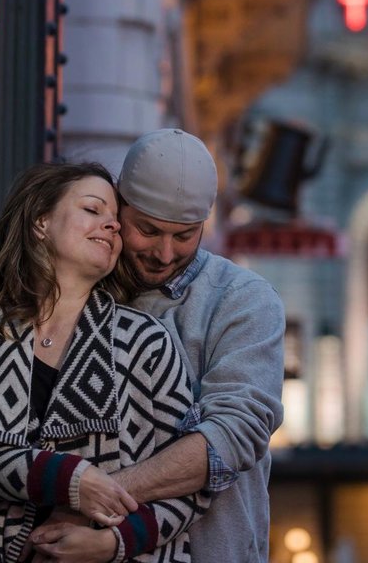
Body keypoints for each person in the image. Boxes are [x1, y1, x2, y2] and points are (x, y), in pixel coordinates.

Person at [0, 161, 209, 562]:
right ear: (41, 222)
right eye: (93, 211)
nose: (112, 226)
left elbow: (189, 489)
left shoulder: (146, 341)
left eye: (115, 220)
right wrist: (73, 480)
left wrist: (111, 543)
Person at [110, 128, 286, 562]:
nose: (165, 253)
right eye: (147, 230)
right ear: (118, 207)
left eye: (185, 235)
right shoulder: (82, 287)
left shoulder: (244, 297)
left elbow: (233, 435)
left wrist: (95, 497)